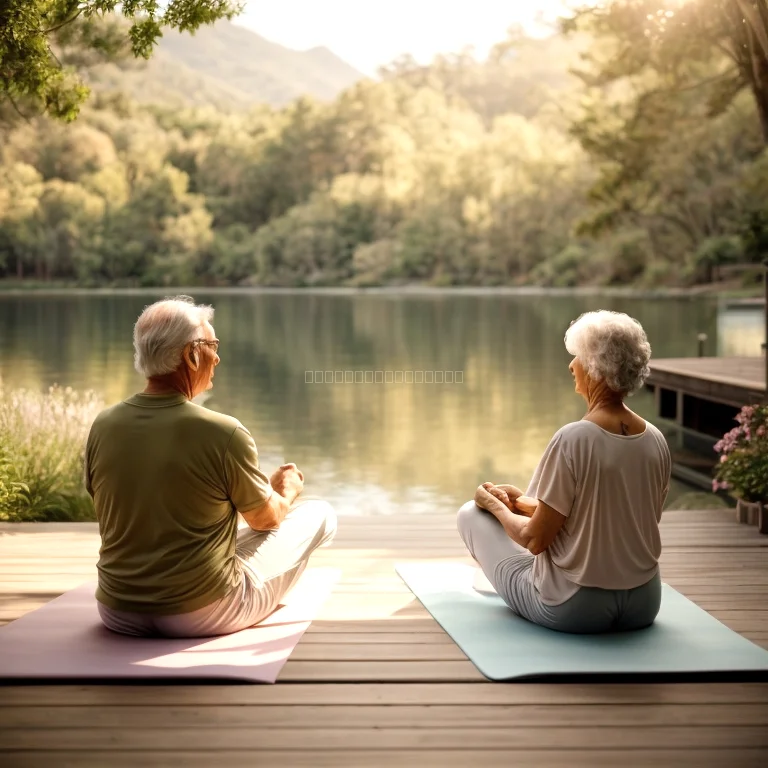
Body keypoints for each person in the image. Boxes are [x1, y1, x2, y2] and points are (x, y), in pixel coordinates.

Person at [85, 295, 336, 638]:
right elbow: (265, 520)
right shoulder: (223, 432)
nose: (217, 357)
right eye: (212, 346)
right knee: (320, 514)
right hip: (204, 612)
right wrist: (285, 491)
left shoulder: (103, 425)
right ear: (191, 355)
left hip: (118, 610)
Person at [457, 310, 671, 634]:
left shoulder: (574, 438)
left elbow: (535, 540)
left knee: (470, 515)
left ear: (596, 368)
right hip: (644, 603)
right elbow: (617, 516)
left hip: (576, 607)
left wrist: (494, 506)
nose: (572, 365)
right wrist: (524, 503)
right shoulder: (656, 440)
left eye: (578, 357)